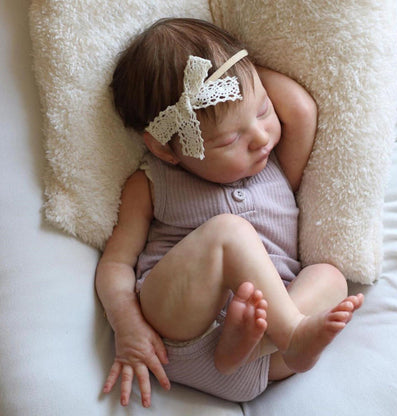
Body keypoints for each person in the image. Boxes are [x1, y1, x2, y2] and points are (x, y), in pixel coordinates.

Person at [95, 17, 364, 408]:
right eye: (231, 138)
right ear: (166, 149)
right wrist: (126, 323)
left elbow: (301, 108)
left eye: (263, 111)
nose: (260, 138)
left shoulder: (276, 165)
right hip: (178, 331)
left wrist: (239, 76)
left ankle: (255, 343)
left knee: (331, 277)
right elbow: (116, 263)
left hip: (263, 358)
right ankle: (292, 334)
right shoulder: (151, 181)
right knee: (229, 232)